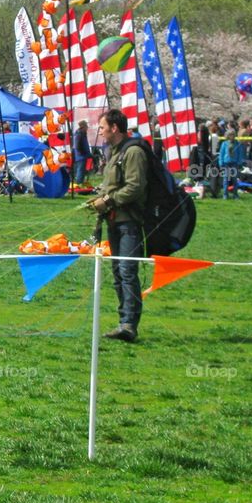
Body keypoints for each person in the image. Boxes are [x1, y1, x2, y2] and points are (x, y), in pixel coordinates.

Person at [88, 109, 148, 343]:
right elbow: (112, 185)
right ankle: (123, 322)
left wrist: (109, 201)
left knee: (127, 271)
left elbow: (135, 186)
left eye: (102, 127)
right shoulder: (114, 152)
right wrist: (98, 200)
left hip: (130, 223)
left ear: (114, 128)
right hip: (114, 221)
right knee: (117, 274)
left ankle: (129, 325)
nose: (100, 131)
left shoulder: (133, 152)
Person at [218, 129, 245, 199]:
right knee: (225, 179)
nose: (232, 136)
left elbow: (240, 154)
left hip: (234, 163)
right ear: (227, 136)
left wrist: (239, 162)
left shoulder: (238, 144)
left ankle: (235, 194)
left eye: (233, 134)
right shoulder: (224, 144)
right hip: (226, 163)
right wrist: (221, 162)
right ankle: (225, 194)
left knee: (234, 179)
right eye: (230, 135)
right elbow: (221, 154)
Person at [73, 120, 91, 185]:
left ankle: (80, 183)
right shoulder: (78, 134)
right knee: (80, 170)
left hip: (83, 155)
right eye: (86, 126)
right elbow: (77, 146)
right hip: (80, 156)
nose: (87, 128)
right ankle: (78, 183)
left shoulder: (82, 134)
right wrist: (83, 152)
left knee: (82, 170)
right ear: (82, 127)